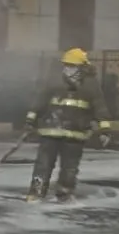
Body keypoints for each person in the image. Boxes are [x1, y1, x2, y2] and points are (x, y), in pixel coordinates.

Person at [23, 48, 112, 203]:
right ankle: (36, 193)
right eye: (66, 65)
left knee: (69, 168)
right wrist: (30, 120)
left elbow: (100, 107)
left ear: (82, 67)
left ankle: (64, 194)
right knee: (42, 166)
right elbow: (40, 100)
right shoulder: (54, 81)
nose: (68, 69)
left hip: (75, 134)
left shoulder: (90, 85)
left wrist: (105, 129)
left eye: (72, 66)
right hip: (50, 131)